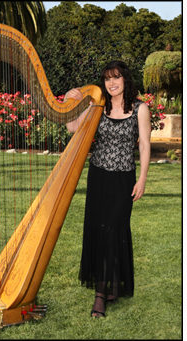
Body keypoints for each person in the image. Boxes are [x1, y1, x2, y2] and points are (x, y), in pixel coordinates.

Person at [64, 60, 151, 318]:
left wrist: (143, 178)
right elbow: (72, 128)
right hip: (99, 177)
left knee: (115, 230)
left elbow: (145, 145)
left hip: (123, 180)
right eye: (107, 79)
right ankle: (103, 294)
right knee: (100, 231)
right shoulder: (97, 107)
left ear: (125, 79)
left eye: (116, 78)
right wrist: (70, 98)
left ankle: (106, 291)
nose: (111, 83)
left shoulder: (140, 108)